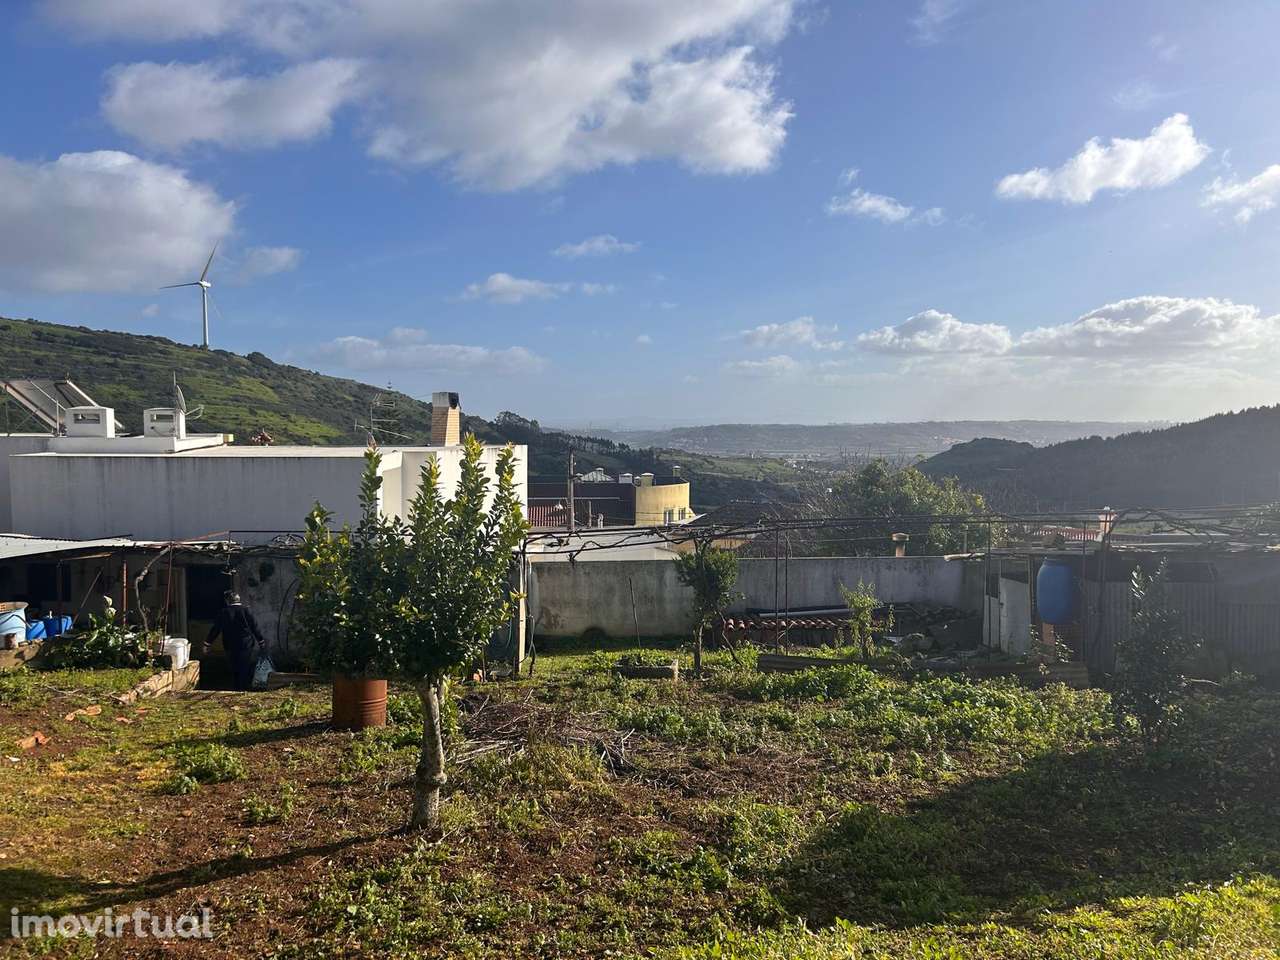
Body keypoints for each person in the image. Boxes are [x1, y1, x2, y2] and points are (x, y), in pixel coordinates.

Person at [206, 591, 266, 690]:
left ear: (227, 601)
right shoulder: (246, 611)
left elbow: (215, 629)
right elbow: (255, 628)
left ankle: (236, 687)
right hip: (246, 644)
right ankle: (245, 687)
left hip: (230, 645)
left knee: (234, 666)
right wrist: (261, 641)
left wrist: (207, 643)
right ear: (238, 600)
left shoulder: (224, 612)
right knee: (245, 666)